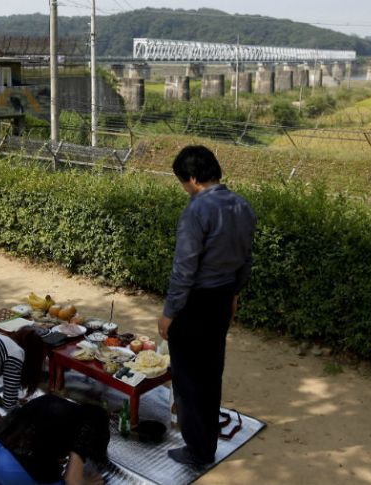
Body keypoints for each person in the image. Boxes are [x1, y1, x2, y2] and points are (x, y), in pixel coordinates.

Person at [156, 145, 257, 468]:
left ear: (194, 179)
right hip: (222, 298)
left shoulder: (196, 211)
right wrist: (235, 293)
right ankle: (206, 441)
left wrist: (170, 312)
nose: (184, 188)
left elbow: (184, 269)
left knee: (187, 378)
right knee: (212, 371)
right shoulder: (242, 206)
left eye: (183, 181)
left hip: (195, 303)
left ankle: (197, 450)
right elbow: (246, 257)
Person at [0, 394, 109, 485]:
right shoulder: (88, 426)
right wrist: (87, 482)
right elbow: (72, 481)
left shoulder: (53, 402)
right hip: (14, 468)